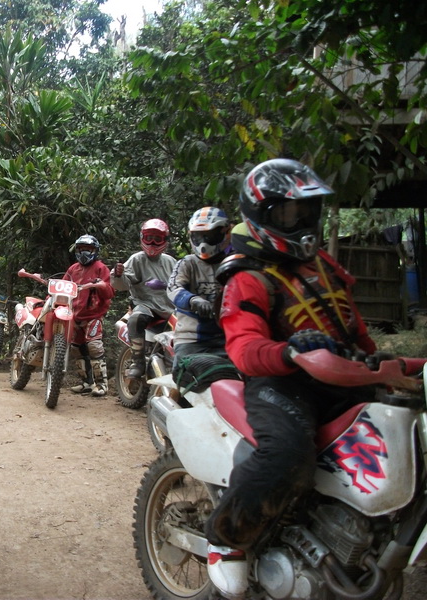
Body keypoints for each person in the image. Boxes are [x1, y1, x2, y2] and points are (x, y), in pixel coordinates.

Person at [204, 159, 378, 599]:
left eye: (306, 211)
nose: (300, 221)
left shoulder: (323, 267)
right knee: (287, 454)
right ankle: (226, 538)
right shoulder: (248, 276)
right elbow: (244, 348)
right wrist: (290, 351)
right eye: (287, 212)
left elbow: (354, 329)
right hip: (281, 382)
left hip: (342, 373)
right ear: (261, 214)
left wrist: (380, 362)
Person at [110, 219, 177, 379]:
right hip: (145, 304)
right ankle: (137, 361)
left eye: (157, 239)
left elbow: (181, 283)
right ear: (142, 238)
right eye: (149, 238)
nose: (152, 243)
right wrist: (118, 275)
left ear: (165, 240)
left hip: (169, 309)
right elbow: (123, 284)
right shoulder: (137, 259)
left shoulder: (171, 261)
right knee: (136, 318)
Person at [166, 207, 232, 361]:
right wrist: (193, 300)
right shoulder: (188, 263)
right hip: (191, 338)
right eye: (198, 236)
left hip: (229, 335)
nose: (203, 242)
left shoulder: (233, 263)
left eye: (209, 236)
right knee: (185, 370)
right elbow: (174, 287)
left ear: (224, 233)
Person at [65, 234, 115, 397]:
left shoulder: (101, 268)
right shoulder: (73, 269)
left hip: (93, 315)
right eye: (81, 249)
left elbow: (109, 292)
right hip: (75, 315)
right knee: (76, 349)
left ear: (95, 251)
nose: (85, 253)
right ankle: (86, 383)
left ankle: (102, 385)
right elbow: (63, 286)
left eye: (89, 249)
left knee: (94, 347)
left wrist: (99, 285)